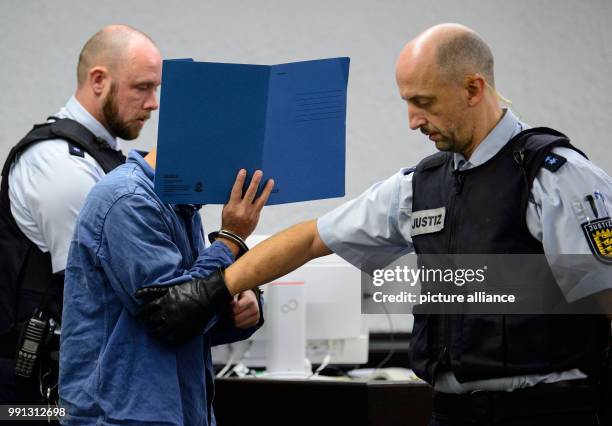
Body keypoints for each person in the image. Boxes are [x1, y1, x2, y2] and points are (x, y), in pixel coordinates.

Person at [136, 23, 612, 425]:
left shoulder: (554, 178)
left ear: (473, 89)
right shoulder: (421, 186)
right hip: (451, 411)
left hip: (546, 411)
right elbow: (310, 239)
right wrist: (210, 290)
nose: (411, 120)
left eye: (423, 102)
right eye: (407, 101)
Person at [0, 24, 159, 409]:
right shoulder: (59, 164)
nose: (153, 103)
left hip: (84, 382)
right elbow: (104, 287)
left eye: (155, 88)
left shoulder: (102, 159)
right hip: (43, 393)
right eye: (142, 87)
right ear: (99, 80)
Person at [59, 140, 273, 425]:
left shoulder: (179, 206)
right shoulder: (128, 199)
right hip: (120, 415)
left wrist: (239, 302)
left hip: (173, 409)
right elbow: (172, 317)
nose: (235, 178)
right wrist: (231, 238)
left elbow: (195, 312)